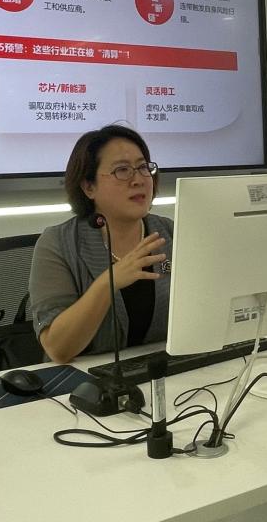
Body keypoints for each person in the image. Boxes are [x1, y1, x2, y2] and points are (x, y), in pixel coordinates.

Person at [29, 124, 171, 363]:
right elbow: (58, 349)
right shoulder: (58, 243)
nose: (138, 179)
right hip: (84, 380)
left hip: (167, 372)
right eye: (122, 170)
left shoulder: (171, 233)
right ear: (89, 187)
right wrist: (108, 283)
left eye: (143, 167)